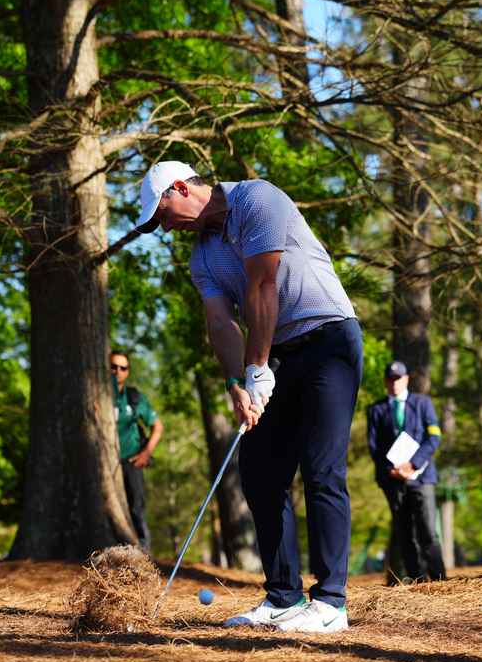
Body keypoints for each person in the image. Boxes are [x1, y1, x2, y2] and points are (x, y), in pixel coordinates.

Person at [135, 160, 362, 634]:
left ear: (180, 188)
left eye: (162, 214)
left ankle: (330, 603)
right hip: (273, 354)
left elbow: (264, 285)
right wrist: (237, 383)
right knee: (260, 474)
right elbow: (220, 322)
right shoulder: (202, 256)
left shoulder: (256, 198)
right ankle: (283, 596)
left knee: (321, 469)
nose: (164, 227)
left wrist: (258, 369)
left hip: (328, 342)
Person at [366, 360, 446, 583]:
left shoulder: (423, 404)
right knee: (404, 533)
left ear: (407, 379)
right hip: (392, 481)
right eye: (390, 379)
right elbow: (373, 446)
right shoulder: (376, 410)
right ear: (385, 382)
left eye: (398, 378)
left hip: (422, 479)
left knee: (428, 531)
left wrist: (413, 465)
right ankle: (418, 580)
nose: (394, 383)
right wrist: (390, 470)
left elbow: (434, 437)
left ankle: (440, 580)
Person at [109, 349, 164, 552]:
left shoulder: (134, 397)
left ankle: (144, 553)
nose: (117, 371)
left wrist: (145, 453)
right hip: (106, 464)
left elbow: (157, 426)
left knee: (136, 508)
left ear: (128, 371)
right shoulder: (98, 393)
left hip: (131, 461)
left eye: (122, 368)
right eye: (113, 366)